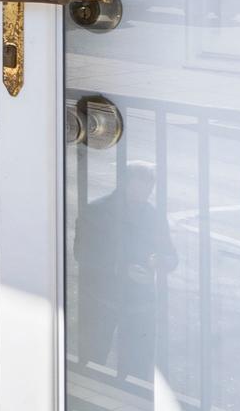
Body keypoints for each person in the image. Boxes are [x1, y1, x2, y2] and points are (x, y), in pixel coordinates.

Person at [73, 160, 179, 378]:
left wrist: (164, 261)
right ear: (125, 184)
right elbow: (82, 253)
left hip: (140, 304)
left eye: (149, 189)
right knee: (92, 360)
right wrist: (122, 269)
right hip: (102, 300)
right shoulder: (96, 211)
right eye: (141, 188)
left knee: (136, 369)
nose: (145, 194)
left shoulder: (153, 215)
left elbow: (170, 254)